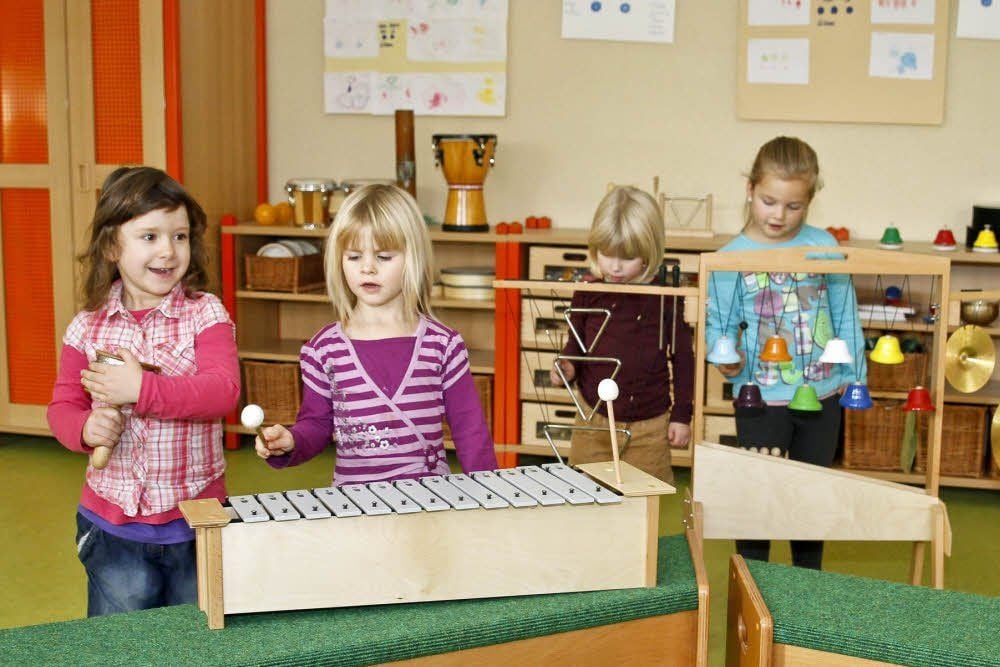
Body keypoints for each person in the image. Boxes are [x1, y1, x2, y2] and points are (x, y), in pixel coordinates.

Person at [46, 166, 240, 615]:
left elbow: (222, 392)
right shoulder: (86, 327)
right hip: (112, 524)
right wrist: (85, 428)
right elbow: (62, 407)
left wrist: (141, 388)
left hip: (196, 522)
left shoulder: (205, 315)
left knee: (197, 644)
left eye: (180, 236)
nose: (168, 251)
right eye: (149, 237)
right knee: (124, 648)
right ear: (113, 245)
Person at [255, 184, 497, 483]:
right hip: (356, 507)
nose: (367, 268)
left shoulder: (444, 345)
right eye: (354, 257)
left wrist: (490, 492)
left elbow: (470, 428)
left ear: (413, 258)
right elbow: (316, 425)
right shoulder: (322, 350)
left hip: (429, 502)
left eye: (384, 257)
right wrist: (290, 442)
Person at [705, 136, 865, 570]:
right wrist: (727, 360)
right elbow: (718, 325)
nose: (779, 215)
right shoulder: (729, 258)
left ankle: (807, 589)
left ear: (810, 200)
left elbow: (844, 312)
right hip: (761, 400)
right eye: (769, 201)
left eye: (794, 206)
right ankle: (753, 585)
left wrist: (855, 375)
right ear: (750, 189)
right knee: (758, 500)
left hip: (822, 394)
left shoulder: (822, 244)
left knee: (811, 502)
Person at [549, 186, 693, 483]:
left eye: (627, 257)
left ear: (648, 251)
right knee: (586, 497)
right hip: (593, 420)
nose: (614, 266)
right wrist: (566, 368)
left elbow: (683, 360)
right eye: (606, 254)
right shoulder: (588, 292)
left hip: (649, 426)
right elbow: (575, 347)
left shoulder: (666, 296)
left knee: (644, 504)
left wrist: (681, 415)